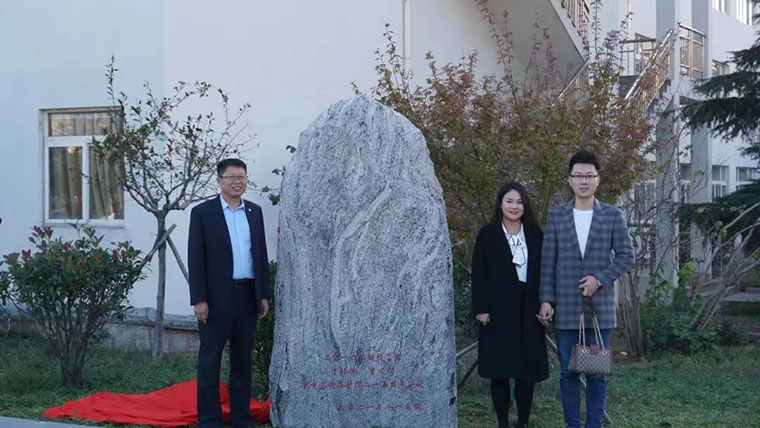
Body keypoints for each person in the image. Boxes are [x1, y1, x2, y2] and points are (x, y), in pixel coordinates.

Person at [537, 151, 634, 428]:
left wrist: (599, 279)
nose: (583, 181)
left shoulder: (613, 215)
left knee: (597, 373)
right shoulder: (557, 216)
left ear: (598, 180)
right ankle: (572, 424)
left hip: (598, 307)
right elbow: (548, 261)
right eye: (578, 175)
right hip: (566, 306)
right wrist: (546, 299)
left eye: (589, 176)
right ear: (569, 180)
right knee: (568, 372)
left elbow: (627, 256)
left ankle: (593, 424)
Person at [188, 158, 271, 428]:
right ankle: (210, 420)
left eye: (242, 177)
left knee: (242, 361)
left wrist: (263, 294)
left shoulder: (254, 212)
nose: (238, 182)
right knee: (210, 361)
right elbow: (196, 258)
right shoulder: (203, 213)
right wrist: (199, 299)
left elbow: (260, 255)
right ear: (219, 181)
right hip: (215, 299)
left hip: (247, 297)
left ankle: (241, 419)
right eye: (232, 177)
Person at [471, 182, 550, 428]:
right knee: (500, 370)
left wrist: (546, 301)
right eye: (509, 201)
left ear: (525, 206)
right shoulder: (488, 234)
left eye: (519, 202)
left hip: (530, 308)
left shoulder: (535, 234)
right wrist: (481, 308)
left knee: (527, 371)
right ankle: (503, 422)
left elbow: (545, 271)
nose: (514, 206)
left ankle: (523, 422)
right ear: (500, 204)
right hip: (498, 309)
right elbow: (479, 272)